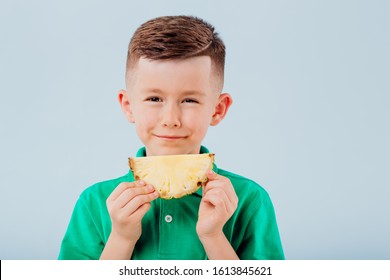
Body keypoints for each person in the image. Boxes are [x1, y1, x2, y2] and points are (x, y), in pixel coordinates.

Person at [58, 15, 284, 260]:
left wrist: (214, 236)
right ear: (128, 106)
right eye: (154, 99)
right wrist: (121, 238)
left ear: (217, 109)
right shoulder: (93, 203)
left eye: (189, 100)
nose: (170, 118)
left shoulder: (250, 201)